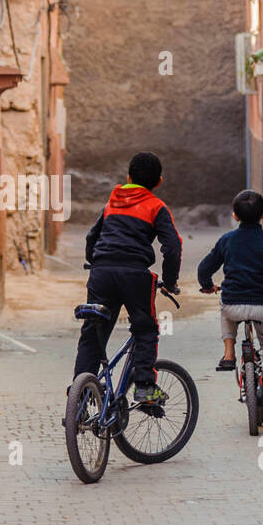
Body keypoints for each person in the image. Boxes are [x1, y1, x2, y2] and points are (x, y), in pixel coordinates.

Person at [73, 152, 182, 405]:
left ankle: (80, 391)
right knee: (145, 330)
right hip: (135, 276)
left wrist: (95, 260)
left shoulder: (112, 203)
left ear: (128, 177)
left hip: (101, 274)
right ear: (159, 182)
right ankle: (144, 386)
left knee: (93, 331)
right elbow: (173, 246)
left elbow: (92, 236)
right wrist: (170, 281)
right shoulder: (157, 207)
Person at [197, 189, 263, 409]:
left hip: (233, 305)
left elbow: (204, 268)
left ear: (235, 216)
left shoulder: (227, 240)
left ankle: (228, 354)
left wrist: (208, 286)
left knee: (225, 308)